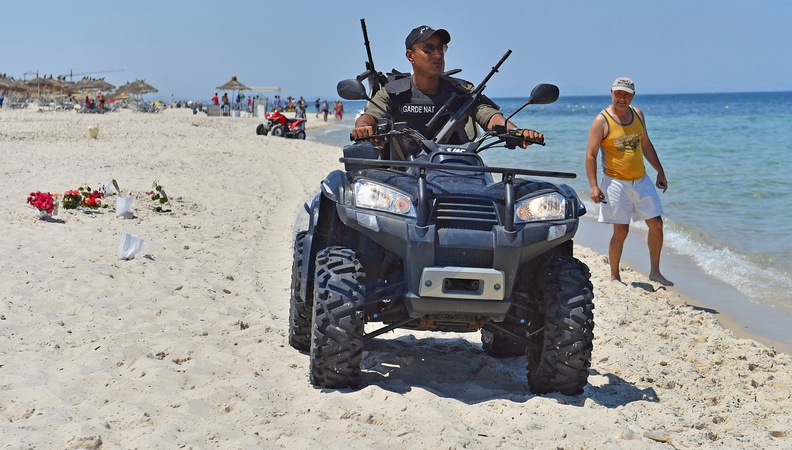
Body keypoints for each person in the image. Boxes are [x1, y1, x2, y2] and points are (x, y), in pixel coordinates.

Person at [352, 25, 543, 150]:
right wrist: (363, 127)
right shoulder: (393, 92)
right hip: (405, 172)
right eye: (428, 49)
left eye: (441, 48)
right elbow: (371, 115)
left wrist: (517, 132)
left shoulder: (461, 91)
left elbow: (488, 115)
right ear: (410, 56)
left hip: (458, 169)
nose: (438, 54)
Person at [585, 77, 673, 287]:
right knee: (621, 232)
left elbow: (646, 144)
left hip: (641, 180)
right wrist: (594, 186)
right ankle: (615, 276)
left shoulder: (638, 114)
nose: (622, 98)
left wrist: (660, 171)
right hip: (615, 183)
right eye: (618, 93)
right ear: (611, 93)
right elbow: (591, 155)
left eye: (626, 94)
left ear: (633, 96)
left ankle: (655, 272)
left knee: (657, 225)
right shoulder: (602, 121)